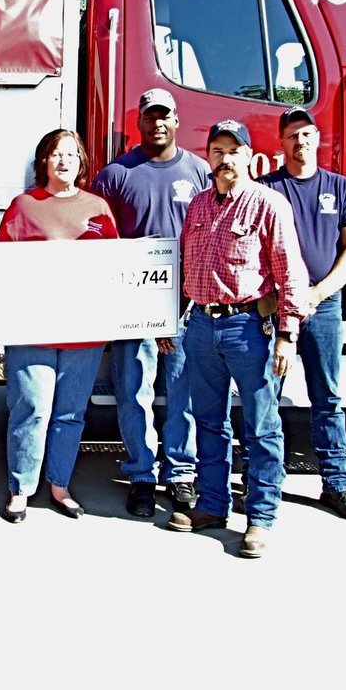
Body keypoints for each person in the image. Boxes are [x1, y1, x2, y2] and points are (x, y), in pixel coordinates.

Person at [172, 120, 310, 558]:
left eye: (234, 149)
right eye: (217, 149)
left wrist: (287, 335)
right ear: (208, 155)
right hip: (200, 326)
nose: (225, 157)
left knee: (262, 426)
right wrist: (169, 322)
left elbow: (290, 273)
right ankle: (213, 505)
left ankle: (260, 517)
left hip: (249, 327)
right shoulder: (196, 207)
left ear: (249, 156)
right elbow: (181, 266)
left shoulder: (269, 204)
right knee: (209, 422)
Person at [91, 87, 212, 518]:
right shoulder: (115, 175)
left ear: (176, 121)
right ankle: (141, 474)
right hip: (133, 302)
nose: (157, 123)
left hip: (184, 302)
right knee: (133, 392)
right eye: (149, 117)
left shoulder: (199, 171)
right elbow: (98, 241)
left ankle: (181, 475)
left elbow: (208, 236)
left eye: (165, 116)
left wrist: (184, 300)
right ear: (138, 123)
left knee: (184, 393)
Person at [0, 130, 119, 523]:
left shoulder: (98, 207)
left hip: (85, 331)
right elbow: (0, 268)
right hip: (32, 329)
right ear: (43, 162)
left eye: (71, 154)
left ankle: (60, 485)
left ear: (81, 162)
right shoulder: (24, 206)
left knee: (70, 413)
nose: (63, 161)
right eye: (55, 154)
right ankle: (21, 489)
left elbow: (116, 266)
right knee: (31, 407)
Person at [260, 107, 346, 520]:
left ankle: (337, 485)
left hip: (322, 306)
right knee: (265, 395)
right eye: (291, 135)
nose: (299, 141)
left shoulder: (340, 189)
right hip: (273, 306)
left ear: (317, 138)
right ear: (281, 143)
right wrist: (280, 297)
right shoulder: (267, 188)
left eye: (306, 134)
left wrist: (318, 293)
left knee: (327, 396)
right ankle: (261, 477)